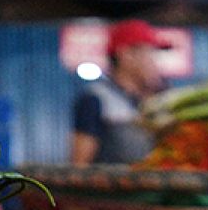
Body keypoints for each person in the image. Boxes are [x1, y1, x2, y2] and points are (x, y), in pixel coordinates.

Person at [70, 19, 171, 166]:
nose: (154, 63)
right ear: (125, 54)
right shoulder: (96, 99)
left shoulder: (158, 99)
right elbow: (79, 164)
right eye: (149, 53)